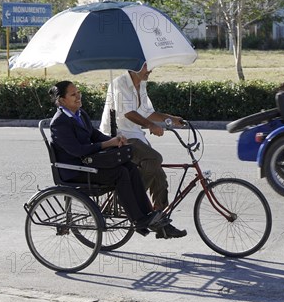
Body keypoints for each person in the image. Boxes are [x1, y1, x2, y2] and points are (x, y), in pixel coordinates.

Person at [48, 80, 168, 236]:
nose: (78, 97)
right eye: (73, 94)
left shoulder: (80, 114)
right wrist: (106, 144)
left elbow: (95, 135)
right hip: (74, 170)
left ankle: (147, 214)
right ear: (62, 100)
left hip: (89, 163)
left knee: (130, 167)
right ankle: (138, 220)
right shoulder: (59, 123)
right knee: (120, 173)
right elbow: (77, 151)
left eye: (79, 93)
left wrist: (115, 140)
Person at [100, 63, 187, 239]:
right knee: (155, 159)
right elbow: (128, 113)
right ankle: (127, 198)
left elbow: (147, 112)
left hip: (136, 136)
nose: (150, 69)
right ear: (133, 65)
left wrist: (171, 118)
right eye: (146, 66)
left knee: (159, 176)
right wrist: (150, 126)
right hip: (119, 137)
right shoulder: (120, 84)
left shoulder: (142, 84)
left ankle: (160, 221)